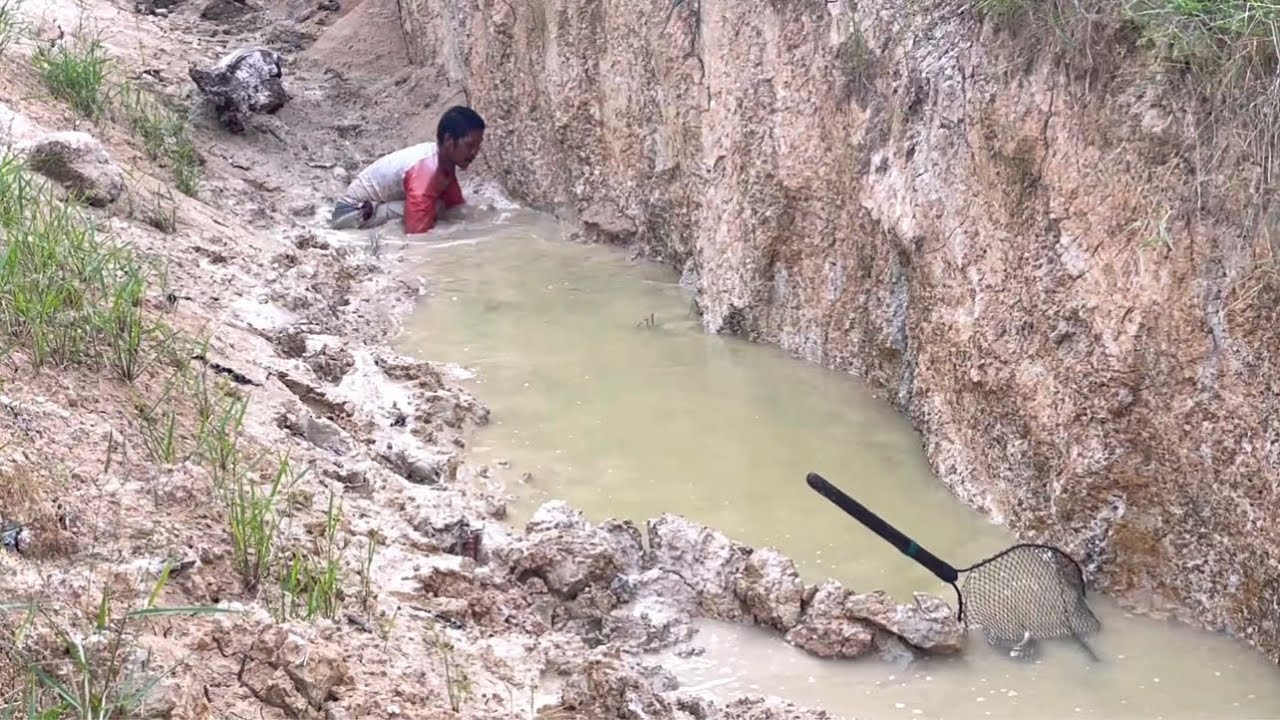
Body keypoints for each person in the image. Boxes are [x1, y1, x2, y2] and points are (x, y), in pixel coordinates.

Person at [328, 105, 486, 234]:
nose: (475, 152)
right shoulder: (427, 170)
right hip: (349, 215)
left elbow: (455, 206)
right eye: (470, 145)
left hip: (363, 207)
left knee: (441, 208)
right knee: (436, 208)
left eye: (478, 145)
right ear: (449, 140)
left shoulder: (442, 161)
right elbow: (417, 235)